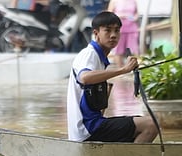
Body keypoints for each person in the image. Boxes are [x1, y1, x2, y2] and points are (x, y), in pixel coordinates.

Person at [66, 11, 157, 143]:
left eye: (116, 31)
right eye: (107, 31)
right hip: (88, 129)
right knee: (150, 124)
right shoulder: (89, 54)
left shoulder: (99, 57)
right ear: (96, 34)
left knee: (139, 121)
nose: (113, 35)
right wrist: (123, 69)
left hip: (92, 125)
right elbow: (85, 77)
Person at [107, 0, 139, 67]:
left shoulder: (133, 1)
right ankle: (120, 69)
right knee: (118, 49)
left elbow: (137, 13)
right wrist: (121, 16)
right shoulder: (114, 1)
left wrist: (135, 18)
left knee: (133, 49)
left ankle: (134, 69)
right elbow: (109, 14)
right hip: (118, 27)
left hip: (131, 27)